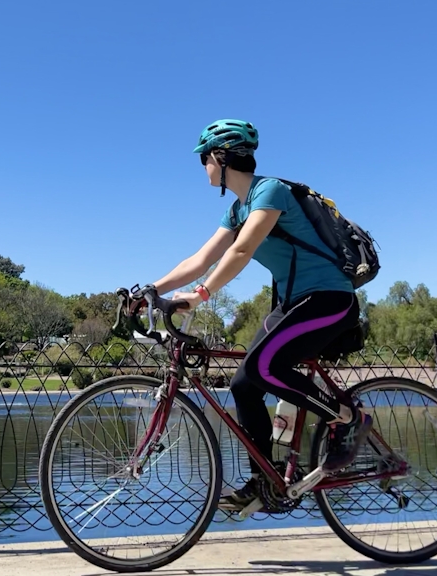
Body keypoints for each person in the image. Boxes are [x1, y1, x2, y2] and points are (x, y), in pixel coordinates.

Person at [146, 118, 372, 511]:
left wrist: (200, 295)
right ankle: (264, 481)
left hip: (328, 299)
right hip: (293, 304)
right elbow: (200, 259)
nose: (203, 167)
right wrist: (151, 290)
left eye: (204, 159)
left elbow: (241, 252)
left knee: (266, 369)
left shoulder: (270, 192)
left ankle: (347, 418)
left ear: (220, 157)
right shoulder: (237, 210)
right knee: (244, 384)